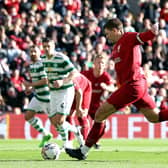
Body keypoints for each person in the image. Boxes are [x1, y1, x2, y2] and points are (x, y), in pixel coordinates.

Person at [65, 18, 168, 160]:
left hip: (133, 85)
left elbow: (144, 37)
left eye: (108, 34)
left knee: (100, 114)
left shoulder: (128, 37)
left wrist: (153, 31)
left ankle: (83, 151)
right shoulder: (116, 46)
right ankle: (84, 149)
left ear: (115, 30)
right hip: (135, 86)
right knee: (154, 117)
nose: (107, 37)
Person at [41, 38, 84, 149]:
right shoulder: (43, 59)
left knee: (60, 120)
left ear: (53, 46)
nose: (46, 49)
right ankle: (76, 130)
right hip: (53, 92)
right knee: (55, 122)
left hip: (66, 91)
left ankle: (66, 144)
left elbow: (74, 72)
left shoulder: (61, 58)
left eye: (48, 46)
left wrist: (62, 81)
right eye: (44, 46)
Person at [82, 53, 115, 149]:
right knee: (84, 124)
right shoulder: (86, 74)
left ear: (105, 65)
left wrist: (107, 87)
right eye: (98, 62)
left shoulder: (105, 76)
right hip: (85, 104)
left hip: (97, 106)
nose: (100, 65)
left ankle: (94, 141)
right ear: (94, 63)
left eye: (103, 63)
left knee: (105, 126)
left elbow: (113, 88)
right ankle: (83, 143)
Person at [23, 45, 52, 148]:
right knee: (28, 116)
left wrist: (30, 85)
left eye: (35, 51)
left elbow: (45, 80)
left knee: (58, 123)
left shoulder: (41, 64)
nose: (33, 53)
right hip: (38, 97)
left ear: (40, 53)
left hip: (47, 98)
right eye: (31, 52)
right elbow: (37, 82)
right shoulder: (32, 66)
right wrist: (30, 89)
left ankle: (74, 137)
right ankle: (45, 134)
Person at [66, 73, 92, 147]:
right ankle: (69, 142)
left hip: (85, 88)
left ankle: (85, 144)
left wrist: (78, 108)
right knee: (69, 114)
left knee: (81, 114)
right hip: (73, 92)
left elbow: (79, 92)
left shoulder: (69, 79)